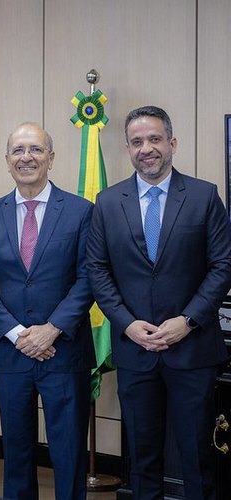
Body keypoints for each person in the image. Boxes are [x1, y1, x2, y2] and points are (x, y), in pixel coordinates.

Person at [86, 105, 231, 499]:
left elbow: (223, 266)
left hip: (192, 349)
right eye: (137, 142)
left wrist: (188, 320)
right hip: (136, 350)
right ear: (128, 149)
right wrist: (128, 324)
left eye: (154, 139)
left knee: (197, 456)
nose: (146, 148)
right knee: (142, 457)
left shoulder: (204, 196)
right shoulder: (108, 201)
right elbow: (97, 271)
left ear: (172, 143)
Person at [0, 122, 95, 499]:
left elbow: (88, 278)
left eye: (36, 150)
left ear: (51, 158)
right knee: (17, 452)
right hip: (12, 353)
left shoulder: (80, 211)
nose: (27, 157)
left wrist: (51, 329)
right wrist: (15, 333)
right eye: (18, 151)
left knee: (68, 452)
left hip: (65, 352)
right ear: (7, 161)